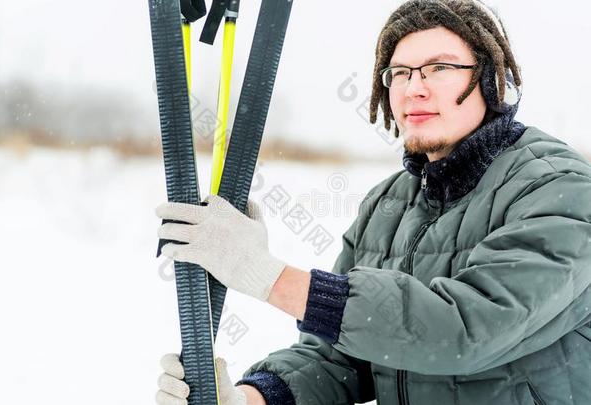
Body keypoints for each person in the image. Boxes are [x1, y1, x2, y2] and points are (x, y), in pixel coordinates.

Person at [154, 0, 591, 404]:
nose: (413, 88)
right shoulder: (388, 203)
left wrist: (267, 275)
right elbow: (341, 356)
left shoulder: (560, 189)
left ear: (491, 82)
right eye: (399, 72)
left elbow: (464, 330)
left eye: (438, 68)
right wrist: (250, 398)